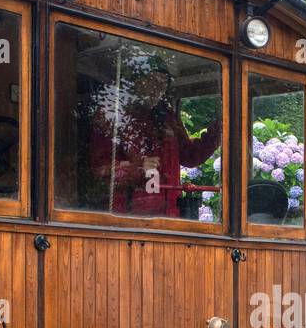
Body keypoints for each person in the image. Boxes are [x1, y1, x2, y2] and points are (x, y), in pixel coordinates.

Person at [87, 58, 221, 218]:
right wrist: (137, 169)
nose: (157, 89)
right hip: (126, 217)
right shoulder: (111, 116)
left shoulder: (168, 118)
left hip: (169, 215)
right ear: (135, 83)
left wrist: (219, 129)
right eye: (152, 81)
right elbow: (99, 171)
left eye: (163, 84)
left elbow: (190, 156)